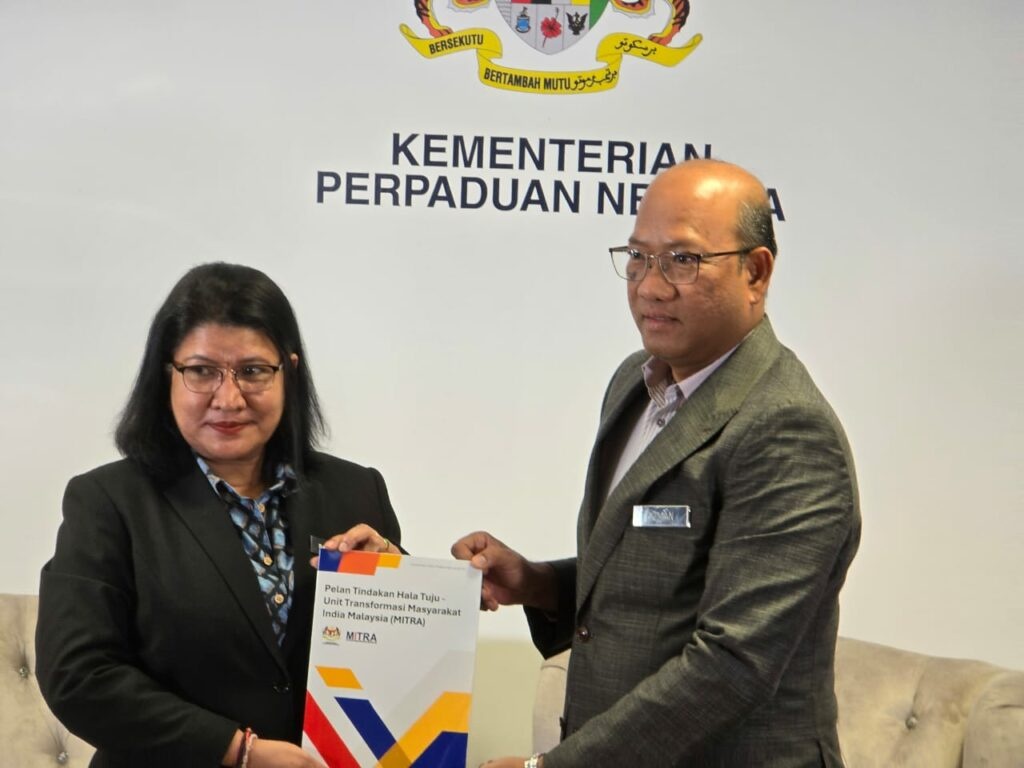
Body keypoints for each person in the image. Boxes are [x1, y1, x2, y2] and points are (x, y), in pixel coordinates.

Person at [455, 159, 861, 768]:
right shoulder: (635, 382)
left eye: (683, 260)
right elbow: (655, 579)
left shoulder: (786, 429)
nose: (650, 286)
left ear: (755, 271)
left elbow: (732, 664)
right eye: (639, 257)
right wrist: (538, 584)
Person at [36, 262, 402, 768]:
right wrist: (238, 750)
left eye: (253, 371)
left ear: (289, 371)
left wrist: (402, 575)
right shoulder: (107, 500)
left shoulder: (358, 491)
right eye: (202, 371)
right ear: (167, 374)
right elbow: (78, 676)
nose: (228, 399)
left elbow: (394, 655)